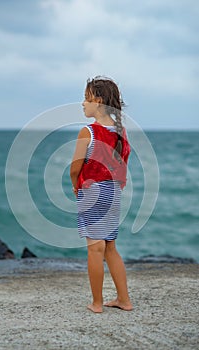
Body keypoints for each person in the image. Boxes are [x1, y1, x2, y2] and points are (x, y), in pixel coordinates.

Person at [70, 76, 133, 313]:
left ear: (98, 101)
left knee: (94, 248)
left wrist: (75, 184)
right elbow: (123, 162)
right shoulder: (121, 131)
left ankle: (97, 303)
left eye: (86, 99)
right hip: (113, 192)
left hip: (92, 191)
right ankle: (124, 300)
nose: (83, 104)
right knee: (110, 247)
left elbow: (75, 167)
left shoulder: (88, 132)